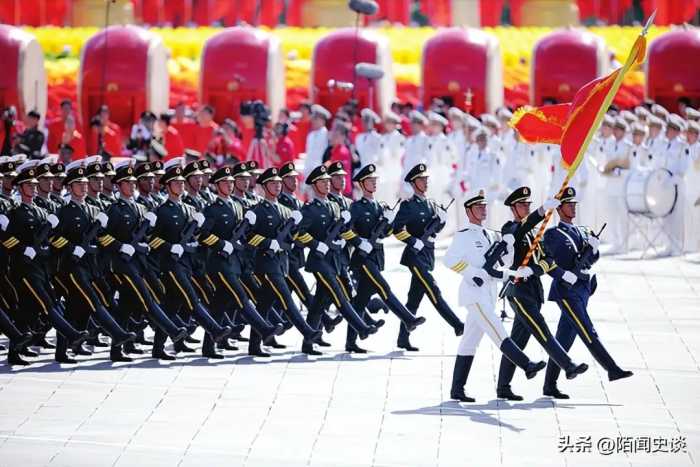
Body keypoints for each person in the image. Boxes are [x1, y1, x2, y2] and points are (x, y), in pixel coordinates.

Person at [443, 189, 546, 402]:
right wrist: (472, 273)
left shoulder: (491, 235)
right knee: (498, 331)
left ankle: (457, 389)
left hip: (488, 293)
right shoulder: (464, 235)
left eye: (484, 206)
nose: (483, 210)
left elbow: (502, 264)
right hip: (474, 294)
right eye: (478, 207)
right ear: (469, 211)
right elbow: (449, 260)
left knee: (469, 342)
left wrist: (507, 249)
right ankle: (526, 365)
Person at [495, 187, 588, 401]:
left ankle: (503, 387)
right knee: (542, 330)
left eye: (528, 204)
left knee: (518, 340)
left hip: (533, 290)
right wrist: (541, 210)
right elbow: (517, 232)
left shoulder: (536, 234)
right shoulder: (509, 228)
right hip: (518, 291)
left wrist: (535, 270)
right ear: (513, 208)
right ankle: (568, 365)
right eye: (522, 205)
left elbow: (547, 260)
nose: (526, 208)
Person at [541, 187, 633, 398]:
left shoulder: (583, 231)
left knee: (564, 340)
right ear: (559, 208)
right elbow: (552, 262)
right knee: (587, 330)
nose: (573, 207)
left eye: (574, 204)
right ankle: (612, 369)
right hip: (566, 291)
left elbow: (592, 259)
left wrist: (593, 249)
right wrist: (565, 274)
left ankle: (549, 385)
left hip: (584, 289)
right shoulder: (553, 234)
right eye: (568, 204)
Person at [4, 160, 89, 364]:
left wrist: (43, 250)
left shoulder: (42, 213)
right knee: (47, 303)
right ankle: (72, 334)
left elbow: (51, 239)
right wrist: (23, 249)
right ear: (20, 187)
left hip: (41, 267)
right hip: (22, 269)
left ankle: (15, 351)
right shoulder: (14, 213)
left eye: (35, 185)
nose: (33, 188)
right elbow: (6, 239)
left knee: (26, 310)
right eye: (29, 185)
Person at [146, 158, 232, 358]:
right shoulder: (161, 211)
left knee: (171, 306)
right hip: (169, 264)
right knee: (191, 298)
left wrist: (194, 241)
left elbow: (197, 237)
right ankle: (215, 329)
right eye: (176, 183)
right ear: (168, 186)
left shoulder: (189, 209)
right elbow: (151, 239)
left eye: (182, 182)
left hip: (187, 263)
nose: (181, 185)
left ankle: (158, 348)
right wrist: (170, 246)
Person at [295, 164, 378, 355]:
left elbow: (343, 229)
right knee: (339, 294)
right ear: (314, 186)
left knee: (319, 303)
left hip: (336, 260)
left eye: (327, 181)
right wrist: (316, 245)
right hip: (319, 261)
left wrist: (342, 239)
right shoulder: (310, 209)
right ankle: (361, 327)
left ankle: (308, 342)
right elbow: (298, 234)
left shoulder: (334, 205)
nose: (326, 184)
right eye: (322, 182)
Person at [347, 164, 426, 353]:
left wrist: (389, 221)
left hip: (376, 256)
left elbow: (387, 233)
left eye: (375, 181)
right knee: (384, 288)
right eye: (369, 181)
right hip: (363, 257)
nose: (374, 184)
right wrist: (359, 242)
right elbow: (345, 230)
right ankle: (408, 319)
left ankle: (350, 341)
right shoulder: (356, 207)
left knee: (361, 300)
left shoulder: (381, 206)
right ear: (361, 184)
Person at [392, 163, 464, 351]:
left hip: (427, 255)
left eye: (426, 179)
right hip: (414, 256)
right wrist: (412, 240)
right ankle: (457, 324)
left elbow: (435, 230)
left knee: (414, 298)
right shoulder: (408, 206)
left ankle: (402, 337)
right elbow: (396, 230)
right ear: (414, 183)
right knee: (433, 291)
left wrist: (441, 221)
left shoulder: (432, 203)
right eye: (422, 180)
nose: (425, 182)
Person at [303, 105, 330, 182]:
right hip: (309, 172)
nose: (313, 121)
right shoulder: (310, 135)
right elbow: (309, 154)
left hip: (320, 173)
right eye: (313, 119)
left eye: (316, 119)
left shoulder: (327, 134)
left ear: (323, 120)